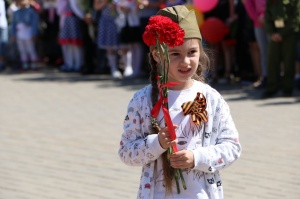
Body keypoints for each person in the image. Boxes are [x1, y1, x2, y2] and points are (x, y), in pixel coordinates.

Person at [118, 5, 241, 199]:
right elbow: (126, 152)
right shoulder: (142, 101)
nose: (185, 62)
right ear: (158, 55)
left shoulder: (211, 98)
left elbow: (232, 147)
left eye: (192, 52)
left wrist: (196, 158)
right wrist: (156, 143)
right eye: (175, 54)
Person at [261, 0, 300, 98]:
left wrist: (282, 33)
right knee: (272, 60)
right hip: (275, 33)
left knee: (289, 61)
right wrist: (272, 33)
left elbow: (296, 18)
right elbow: (267, 17)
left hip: (289, 34)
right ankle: (272, 88)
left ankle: (287, 88)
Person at [244, 0, 268, 88]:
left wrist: (266, 17)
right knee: (264, 51)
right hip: (258, 23)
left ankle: (277, 77)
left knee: (275, 52)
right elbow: (249, 5)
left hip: (273, 22)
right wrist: (257, 18)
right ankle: (265, 76)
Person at [94, 0, 121, 79]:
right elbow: (96, 7)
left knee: (122, 46)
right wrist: (105, 2)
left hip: (119, 20)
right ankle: (113, 68)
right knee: (110, 46)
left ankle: (126, 67)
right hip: (106, 21)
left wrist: (116, 7)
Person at [11, 0, 39, 71]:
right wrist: (13, 34)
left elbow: (34, 23)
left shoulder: (31, 12)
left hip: (28, 33)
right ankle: (25, 65)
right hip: (19, 34)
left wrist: (34, 34)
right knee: (22, 50)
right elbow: (13, 24)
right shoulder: (16, 12)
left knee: (31, 49)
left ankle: (33, 64)